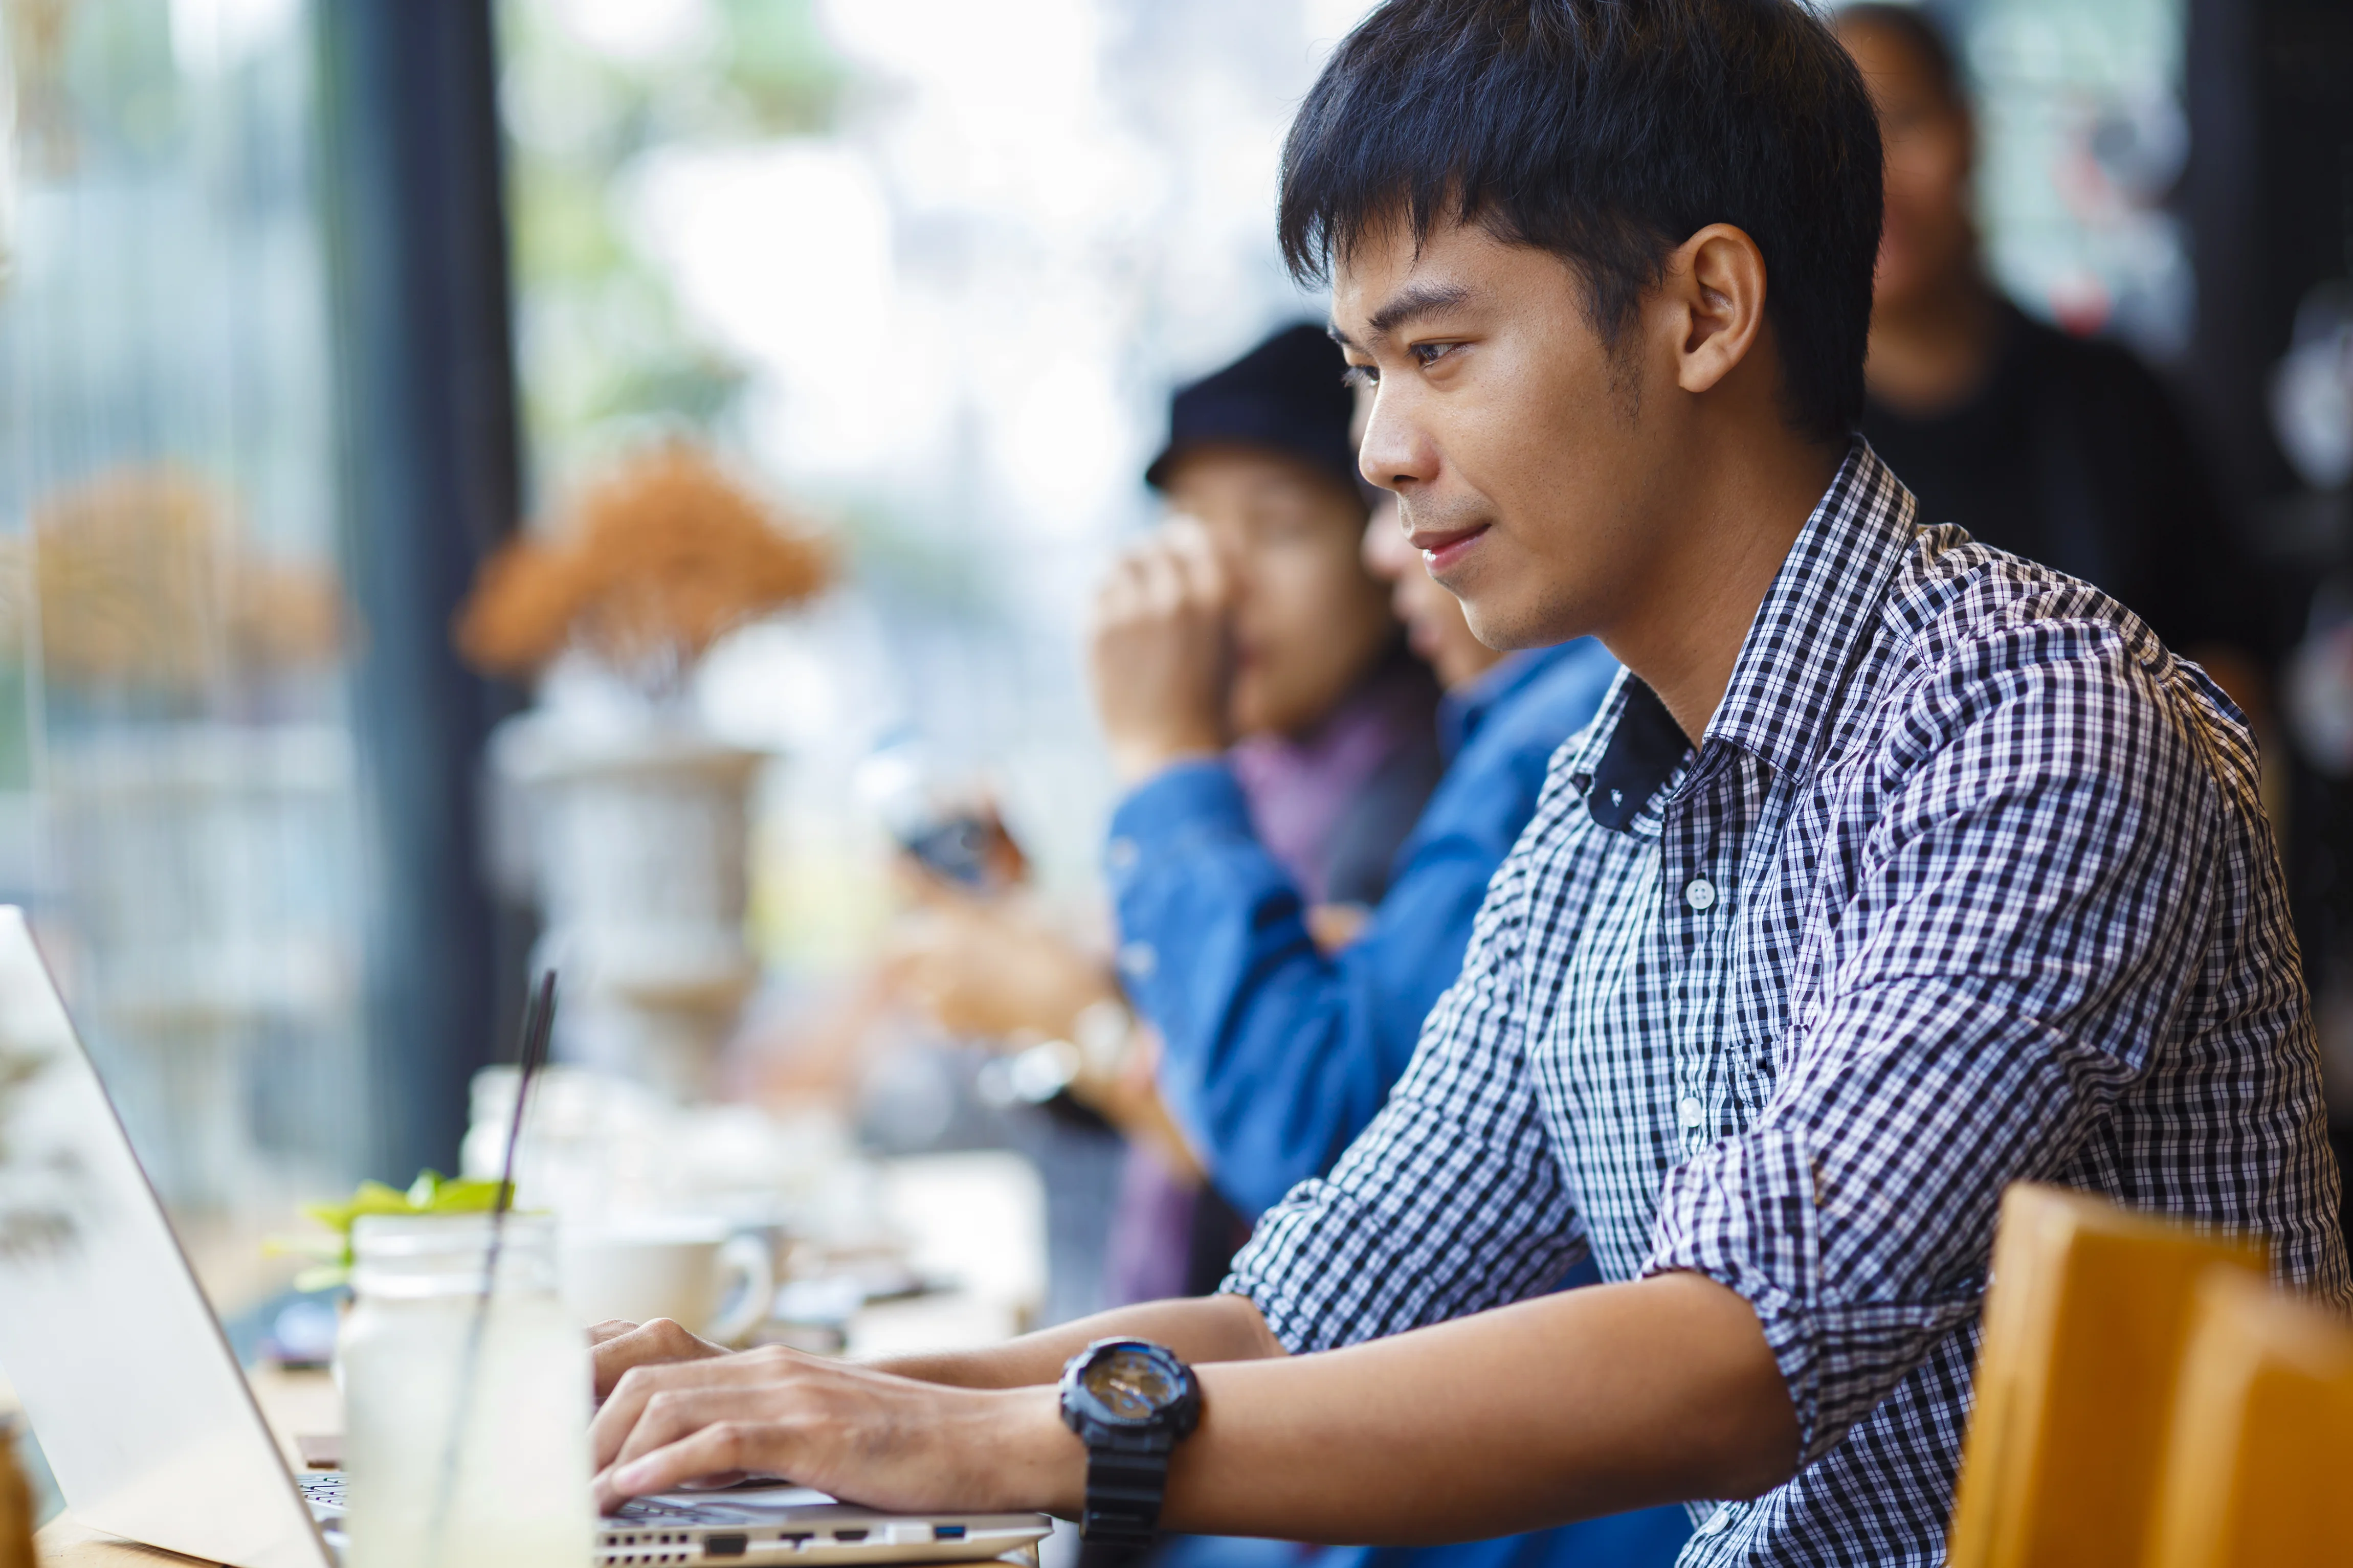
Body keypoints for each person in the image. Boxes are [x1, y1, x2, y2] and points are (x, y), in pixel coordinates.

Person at [586, 2, 2349, 1562]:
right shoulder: (1606, 789)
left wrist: (969, 1440)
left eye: (1438, 353)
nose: (1380, 449)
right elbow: (1314, 1300)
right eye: (1366, 369)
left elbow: (1740, 1349)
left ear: (1706, 310)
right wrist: (813, 1396)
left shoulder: (2035, 716)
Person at [1836, 3, 2273, 715]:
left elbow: (2236, 657)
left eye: (1906, 119)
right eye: (1833, 145)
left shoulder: (2114, 398)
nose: (1876, 179)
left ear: (1969, 130)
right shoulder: (1785, 438)